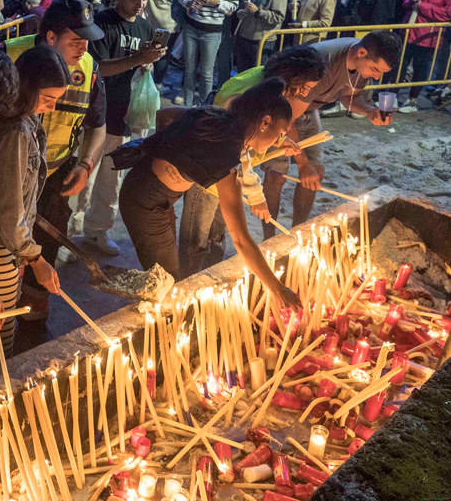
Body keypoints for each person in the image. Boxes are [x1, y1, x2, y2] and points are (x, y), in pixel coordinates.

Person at [116, 78, 303, 313]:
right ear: (265, 122)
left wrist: (169, 151)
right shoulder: (225, 161)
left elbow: (165, 116)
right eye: (280, 134)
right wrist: (277, 288)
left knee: (166, 273)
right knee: (168, 283)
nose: (280, 141)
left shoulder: (215, 115)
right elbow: (242, 239)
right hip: (146, 203)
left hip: (146, 187)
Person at [179, 45, 325, 276]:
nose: (303, 94)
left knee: (218, 232)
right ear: (294, 76)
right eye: (304, 87)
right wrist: (256, 197)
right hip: (209, 173)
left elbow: (256, 137)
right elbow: (237, 150)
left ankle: (213, 279)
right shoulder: (252, 94)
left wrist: (279, 141)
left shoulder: (272, 84)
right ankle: (186, 284)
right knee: (196, 238)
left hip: (230, 173)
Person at [3, 0, 107, 320]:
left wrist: (85, 164)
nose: (84, 51)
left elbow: (98, 127)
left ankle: (32, 323)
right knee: (2, 249)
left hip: (54, 175)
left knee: (44, 249)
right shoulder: (8, 58)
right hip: (6, 176)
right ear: (50, 38)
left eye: (87, 42)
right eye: (75, 42)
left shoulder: (88, 70)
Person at [0, 45, 67, 366]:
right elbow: (8, 211)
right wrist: (35, 257)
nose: (53, 108)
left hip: (11, 250)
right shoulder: (14, 132)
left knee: (4, 328)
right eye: (47, 99)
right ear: (27, 88)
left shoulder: (28, 124)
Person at [262, 31, 400, 238]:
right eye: (375, 69)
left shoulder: (360, 64)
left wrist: (370, 111)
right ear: (361, 52)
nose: (377, 76)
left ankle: (296, 233)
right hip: (280, 110)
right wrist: (302, 163)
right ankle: (269, 236)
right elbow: (287, 118)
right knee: (276, 175)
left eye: (381, 72)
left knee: (315, 172)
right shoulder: (323, 65)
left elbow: (349, 96)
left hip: (309, 109)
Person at [81, 0, 167, 256]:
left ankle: (98, 232)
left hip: (127, 116)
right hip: (97, 114)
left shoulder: (144, 27)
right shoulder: (102, 24)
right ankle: (69, 234)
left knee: (111, 181)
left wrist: (148, 62)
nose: (139, 5)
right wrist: (136, 59)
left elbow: (140, 65)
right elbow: (99, 69)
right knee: (84, 179)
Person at [177, 0, 239, 105]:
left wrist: (216, 2)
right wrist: (188, 3)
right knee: (189, 70)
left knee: (206, 73)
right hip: (191, 27)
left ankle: (203, 107)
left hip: (212, 31)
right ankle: (187, 105)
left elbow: (233, 5)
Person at [398, 0, 451, 113]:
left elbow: (447, 13)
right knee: (399, 65)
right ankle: (391, 96)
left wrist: (423, 6)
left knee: (420, 69)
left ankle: (412, 100)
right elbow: (405, 0)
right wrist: (411, 1)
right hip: (409, 31)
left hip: (428, 36)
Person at [146, 0, 183, 85]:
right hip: (167, 22)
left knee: (151, 53)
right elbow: (178, 0)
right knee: (162, 56)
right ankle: (157, 85)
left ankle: (148, 82)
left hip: (150, 20)